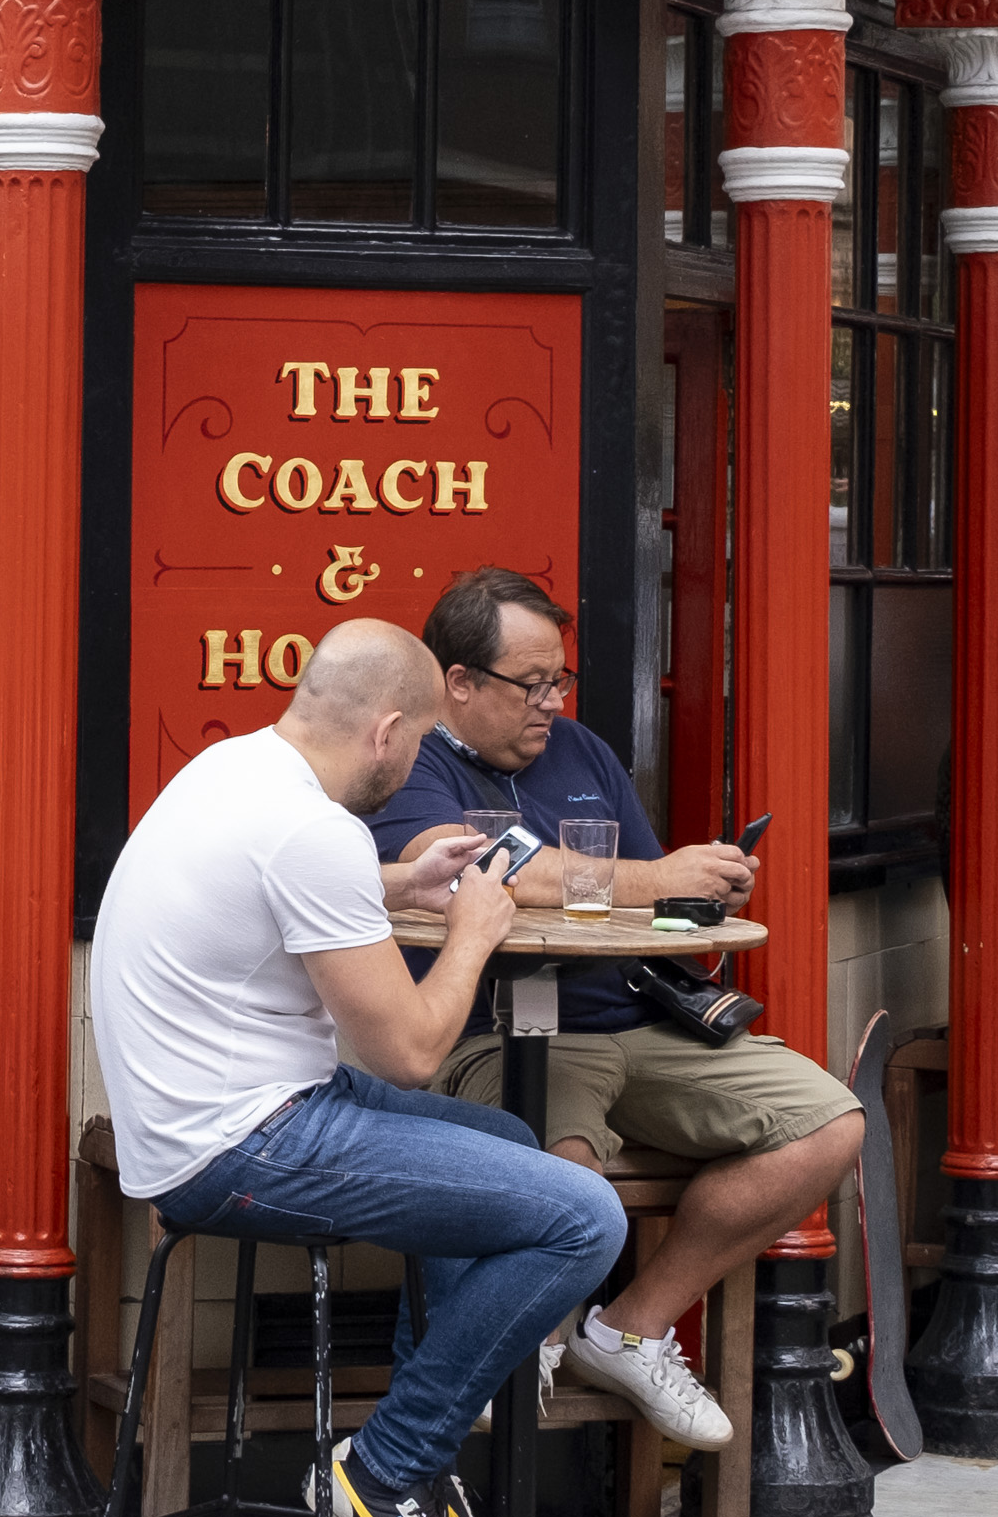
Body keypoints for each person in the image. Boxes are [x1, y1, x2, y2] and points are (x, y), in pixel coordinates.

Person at [85, 621, 607, 1517]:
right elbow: (407, 1051)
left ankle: (417, 1460)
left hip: (217, 1118)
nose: (412, 769)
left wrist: (398, 884)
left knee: (503, 1147)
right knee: (583, 1217)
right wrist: (470, 931)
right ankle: (385, 1469)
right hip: (241, 1146)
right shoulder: (310, 829)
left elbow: (284, 891)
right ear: (386, 732)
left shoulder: (233, 771)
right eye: (415, 748)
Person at [367, 567, 857, 1451]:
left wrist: (697, 885)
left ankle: (627, 1329)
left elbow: (643, 898)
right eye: (531, 683)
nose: (550, 701)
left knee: (827, 1123)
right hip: (494, 1026)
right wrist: (655, 878)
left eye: (559, 680)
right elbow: (483, 871)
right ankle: (521, 1340)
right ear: (459, 683)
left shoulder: (583, 751)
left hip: (632, 1012)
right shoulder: (408, 762)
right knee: (567, 1180)